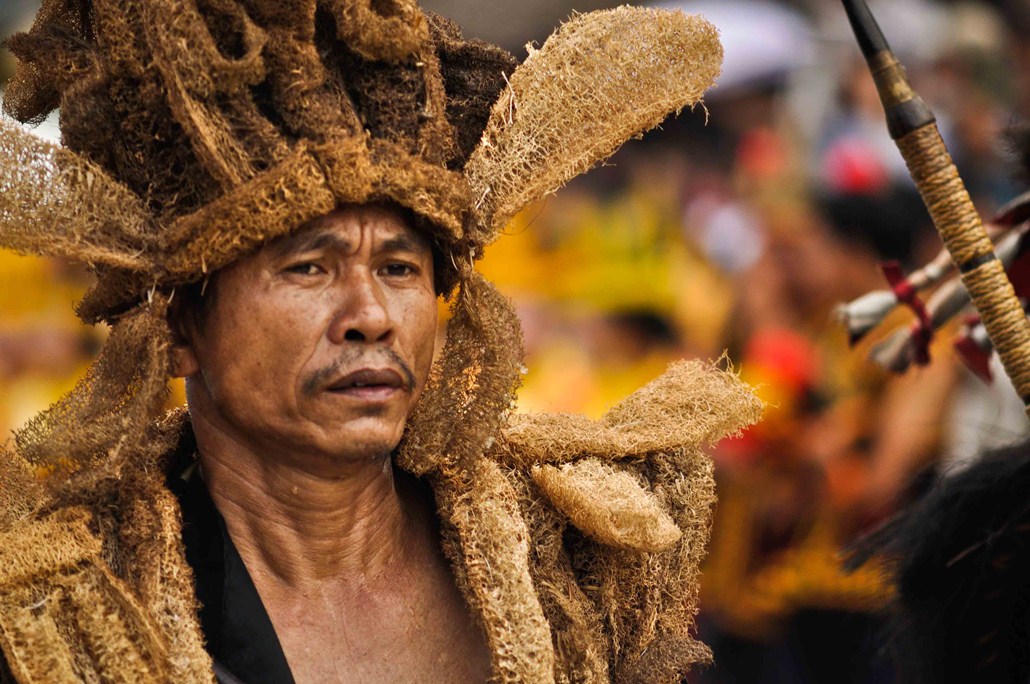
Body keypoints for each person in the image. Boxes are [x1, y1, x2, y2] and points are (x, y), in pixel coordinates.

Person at [0, 1, 762, 682]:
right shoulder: (62, 619)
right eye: (309, 268)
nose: (371, 313)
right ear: (178, 329)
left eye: (399, 267)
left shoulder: (571, 561)